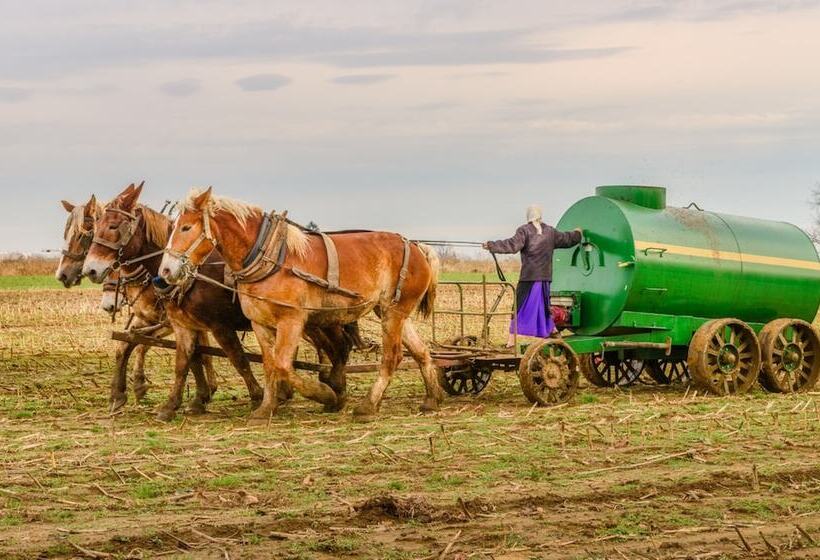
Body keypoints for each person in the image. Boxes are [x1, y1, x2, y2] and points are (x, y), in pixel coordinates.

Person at [483, 205, 582, 346]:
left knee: (519, 308)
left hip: (529, 278)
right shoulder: (551, 232)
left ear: (528, 216)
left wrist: (491, 245)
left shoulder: (524, 230)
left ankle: (511, 342)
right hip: (545, 279)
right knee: (543, 306)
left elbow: (511, 245)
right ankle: (552, 331)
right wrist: (578, 233)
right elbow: (568, 239)